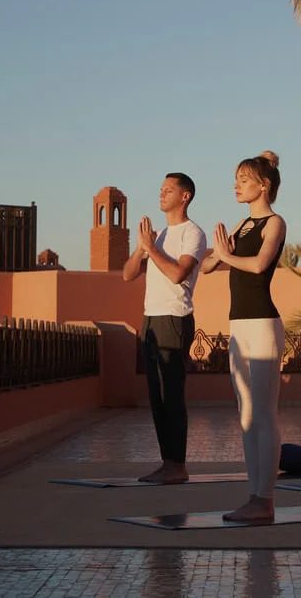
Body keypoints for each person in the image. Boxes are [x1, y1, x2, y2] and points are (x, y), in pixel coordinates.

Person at [201, 151, 286, 522]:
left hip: (263, 324)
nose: (236, 185)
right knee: (246, 413)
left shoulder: (274, 223)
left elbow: (258, 265)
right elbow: (206, 267)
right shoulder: (241, 226)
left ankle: (264, 500)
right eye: (236, 179)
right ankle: (253, 497)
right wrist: (221, 253)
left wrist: (226, 255)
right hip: (239, 325)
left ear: (263, 185)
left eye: (244, 179)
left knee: (264, 413)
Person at [122, 173, 207, 484]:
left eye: (168, 190)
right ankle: (166, 462)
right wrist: (141, 249)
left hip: (174, 318)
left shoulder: (193, 234)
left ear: (184, 196)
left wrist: (152, 250)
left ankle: (178, 465)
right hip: (150, 319)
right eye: (160, 189)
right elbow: (128, 275)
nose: (161, 194)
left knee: (172, 394)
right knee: (156, 396)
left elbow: (177, 274)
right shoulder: (156, 238)